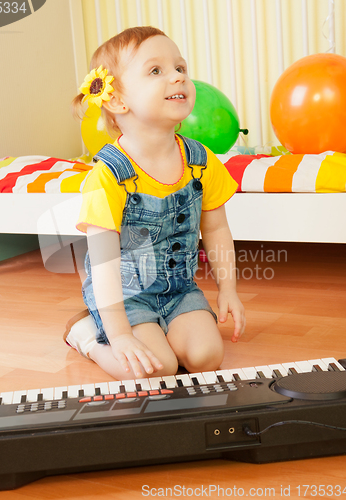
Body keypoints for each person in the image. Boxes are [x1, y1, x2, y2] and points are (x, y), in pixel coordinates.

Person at [65, 26, 246, 380]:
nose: (178, 77)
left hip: (179, 290)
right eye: (156, 70)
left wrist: (229, 289)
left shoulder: (201, 160)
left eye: (180, 68)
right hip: (124, 296)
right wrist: (117, 334)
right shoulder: (108, 176)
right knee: (155, 369)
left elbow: (217, 227)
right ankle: (87, 336)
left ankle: (160, 330)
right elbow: (103, 264)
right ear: (117, 100)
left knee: (207, 357)